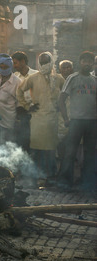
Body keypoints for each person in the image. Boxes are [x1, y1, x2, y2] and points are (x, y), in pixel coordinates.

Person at [16, 52, 65, 184]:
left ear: (52, 61)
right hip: (37, 119)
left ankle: (50, 176)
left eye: (47, 61)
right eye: (42, 62)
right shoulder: (33, 78)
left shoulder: (59, 78)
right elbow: (19, 91)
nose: (45, 65)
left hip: (53, 119)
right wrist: (27, 106)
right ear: (38, 63)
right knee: (36, 149)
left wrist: (62, 106)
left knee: (51, 150)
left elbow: (66, 94)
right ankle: (35, 176)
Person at [57, 51, 96, 191]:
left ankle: (88, 182)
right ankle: (65, 182)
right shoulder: (73, 78)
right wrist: (66, 118)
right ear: (80, 62)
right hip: (76, 121)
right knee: (70, 152)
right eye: (84, 61)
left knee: (91, 153)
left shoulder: (94, 80)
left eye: (89, 61)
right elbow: (61, 100)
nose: (87, 63)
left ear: (93, 64)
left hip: (92, 122)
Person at [0, 53, 22, 145]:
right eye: (1, 66)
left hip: (6, 122)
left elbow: (20, 103)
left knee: (5, 148)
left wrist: (18, 121)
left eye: (5, 67)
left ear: (10, 66)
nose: (3, 69)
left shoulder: (17, 82)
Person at [12, 51, 38, 152]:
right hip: (21, 111)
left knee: (35, 139)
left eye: (15, 63)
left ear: (23, 62)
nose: (14, 66)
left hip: (34, 111)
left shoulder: (35, 74)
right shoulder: (15, 76)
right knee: (23, 140)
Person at [57, 60, 75, 163]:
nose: (66, 69)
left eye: (68, 67)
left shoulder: (75, 80)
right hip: (60, 119)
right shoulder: (56, 81)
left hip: (74, 117)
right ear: (60, 70)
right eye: (64, 68)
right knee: (60, 144)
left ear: (72, 69)